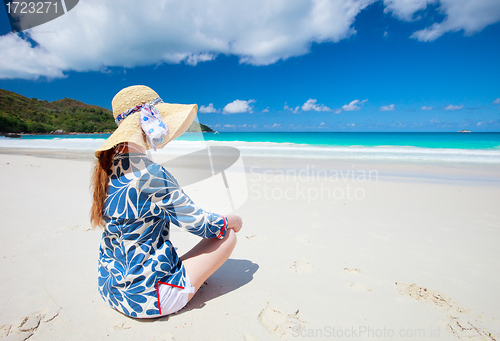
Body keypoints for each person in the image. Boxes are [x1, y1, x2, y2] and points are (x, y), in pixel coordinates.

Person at [90, 85, 243, 318]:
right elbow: (200, 225)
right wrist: (233, 219)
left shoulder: (106, 169)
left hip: (110, 288)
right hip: (146, 299)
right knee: (227, 234)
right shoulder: (150, 174)